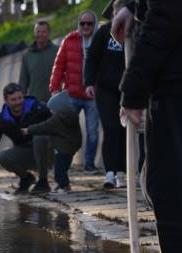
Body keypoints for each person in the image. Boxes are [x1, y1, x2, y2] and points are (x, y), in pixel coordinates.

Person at [113, 0, 182, 253]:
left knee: (169, 191)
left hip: (175, 87)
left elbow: (166, 17)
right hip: (171, 83)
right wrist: (133, 6)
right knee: (163, 188)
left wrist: (133, 89)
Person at [0, 82, 52, 195]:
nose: (18, 102)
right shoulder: (1, 120)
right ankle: (26, 179)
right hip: (28, 154)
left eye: (20, 98)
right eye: (13, 100)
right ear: (6, 100)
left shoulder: (39, 108)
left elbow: (58, 122)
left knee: (39, 137)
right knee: (3, 157)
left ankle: (43, 182)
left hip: (49, 152)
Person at [49, 11, 100, 172]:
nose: (85, 26)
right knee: (65, 130)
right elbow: (59, 66)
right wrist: (54, 88)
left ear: (95, 24)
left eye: (89, 23)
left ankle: (89, 164)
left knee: (92, 132)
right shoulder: (69, 40)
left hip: (93, 96)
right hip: (72, 94)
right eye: (82, 23)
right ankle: (63, 163)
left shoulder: (100, 40)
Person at [85, 3, 127, 189]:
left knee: (124, 130)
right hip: (105, 89)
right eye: (116, 12)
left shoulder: (132, 32)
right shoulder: (104, 32)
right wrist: (89, 82)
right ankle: (109, 173)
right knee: (110, 128)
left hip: (126, 89)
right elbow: (92, 58)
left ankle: (122, 172)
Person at [22, 91, 82, 193]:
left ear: (58, 108)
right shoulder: (72, 116)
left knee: (58, 171)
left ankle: (64, 186)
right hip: (71, 148)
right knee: (64, 169)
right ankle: (63, 185)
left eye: (52, 109)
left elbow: (44, 127)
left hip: (62, 149)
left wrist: (29, 130)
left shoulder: (57, 119)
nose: (50, 111)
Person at [20, 20, 59, 103]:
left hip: (56, 100)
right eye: (38, 32)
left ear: (49, 33)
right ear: (34, 33)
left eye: (44, 32)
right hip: (36, 103)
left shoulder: (58, 51)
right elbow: (23, 82)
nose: (40, 35)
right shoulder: (27, 55)